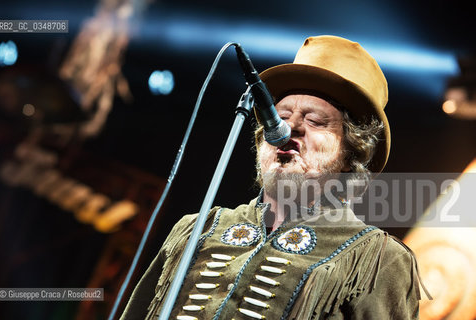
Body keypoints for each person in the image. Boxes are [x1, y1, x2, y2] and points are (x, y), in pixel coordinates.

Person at [121, 35, 427, 320]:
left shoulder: (377, 259)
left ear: (351, 154)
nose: (289, 128)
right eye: (279, 117)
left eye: (316, 121)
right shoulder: (196, 228)